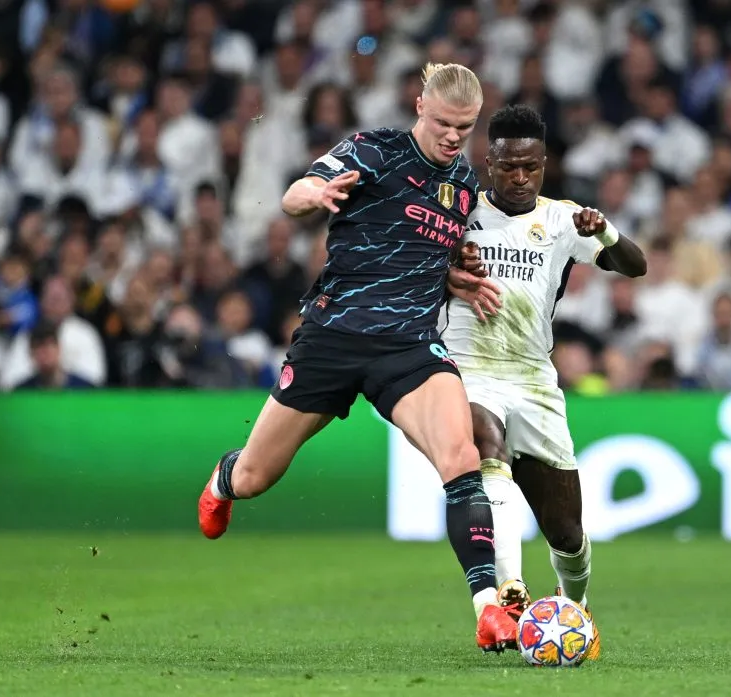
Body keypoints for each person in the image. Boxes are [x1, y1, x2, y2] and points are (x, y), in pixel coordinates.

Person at [197, 63, 520, 653]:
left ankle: (488, 609)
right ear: (420, 106)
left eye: (465, 127)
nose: (453, 137)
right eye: (444, 123)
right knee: (256, 477)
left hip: (409, 346)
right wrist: (316, 195)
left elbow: (422, 251)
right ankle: (225, 476)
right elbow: (295, 194)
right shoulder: (374, 150)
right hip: (334, 336)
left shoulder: (464, 185)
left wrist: (454, 277)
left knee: (461, 456)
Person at [443, 104, 647, 661]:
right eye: (508, 166)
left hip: (533, 379)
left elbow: (635, 266)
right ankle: (510, 592)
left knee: (567, 533)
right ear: (489, 163)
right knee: (485, 448)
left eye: (530, 167)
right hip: (468, 367)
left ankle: (574, 608)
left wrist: (605, 230)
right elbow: (415, 271)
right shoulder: (459, 211)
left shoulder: (563, 219)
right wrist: (448, 272)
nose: (519, 177)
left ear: (544, 164)